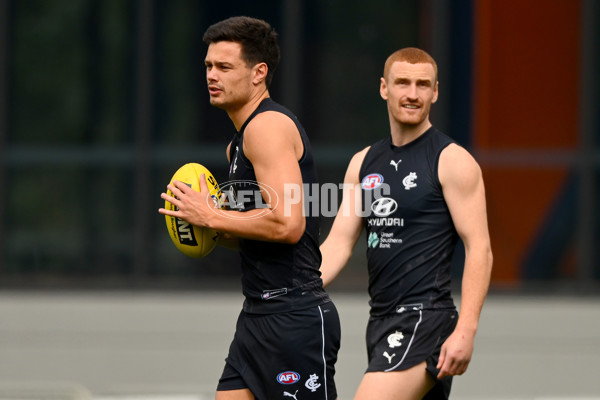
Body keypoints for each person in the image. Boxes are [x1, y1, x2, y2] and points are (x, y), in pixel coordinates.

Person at [159, 16, 340, 400]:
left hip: (293, 317)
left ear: (259, 73)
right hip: (256, 317)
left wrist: (211, 214)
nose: (212, 75)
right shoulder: (237, 144)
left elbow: (288, 225)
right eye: (208, 66)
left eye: (225, 67)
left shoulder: (267, 127)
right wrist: (207, 226)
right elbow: (256, 231)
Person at [319, 47, 493, 399]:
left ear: (435, 92)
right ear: (384, 88)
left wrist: (466, 330)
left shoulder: (452, 160)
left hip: (425, 319)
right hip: (380, 320)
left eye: (422, 85)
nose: (412, 94)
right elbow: (338, 243)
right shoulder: (363, 163)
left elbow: (481, 250)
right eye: (402, 83)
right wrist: (295, 288)